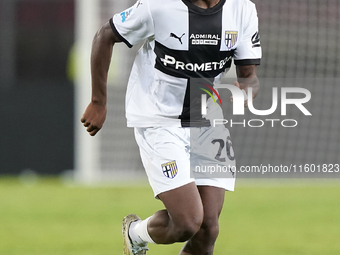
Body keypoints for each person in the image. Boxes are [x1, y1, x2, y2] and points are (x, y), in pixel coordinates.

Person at [81, 0, 261, 254]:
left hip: (207, 120)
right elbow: (104, 35)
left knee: (208, 228)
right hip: (159, 120)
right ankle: (136, 234)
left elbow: (248, 74)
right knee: (188, 222)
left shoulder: (242, 9)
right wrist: (98, 102)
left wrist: (247, 90)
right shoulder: (159, 6)